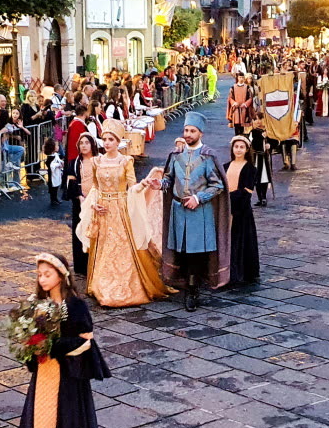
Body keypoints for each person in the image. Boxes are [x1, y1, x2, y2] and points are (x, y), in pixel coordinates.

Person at [12, 254, 109, 428]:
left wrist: (53, 346)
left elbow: (85, 339)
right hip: (45, 369)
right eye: (40, 275)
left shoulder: (75, 304)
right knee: (39, 417)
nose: (42, 279)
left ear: (61, 276)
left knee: (69, 415)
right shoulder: (37, 302)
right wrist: (31, 346)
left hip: (68, 370)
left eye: (48, 274)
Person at [78, 122, 166, 308]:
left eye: (111, 139)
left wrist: (144, 184)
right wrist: (94, 205)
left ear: (118, 142)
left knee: (122, 246)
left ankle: (125, 285)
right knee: (104, 247)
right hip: (102, 209)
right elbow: (95, 187)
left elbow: (131, 187)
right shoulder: (96, 161)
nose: (107, 143)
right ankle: (102, 285)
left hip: (119, 209)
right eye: (105, 139)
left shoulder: (126, 161)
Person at [150, 113, 230, 311]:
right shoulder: (175, 155)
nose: (188, 134)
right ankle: (183, 283)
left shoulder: (208, 156)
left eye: (192, 131)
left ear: (200, 133)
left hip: (199, 212)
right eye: (186, 130)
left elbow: (217, 185)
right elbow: (169, 179)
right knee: (182, 251)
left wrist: (198, 198)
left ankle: (193, 290)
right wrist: (159, 184)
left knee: (196, 254)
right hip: (178, 211)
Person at [227, 136, 260, 284]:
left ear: (247, 150)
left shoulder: (251, 169)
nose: (238, 149)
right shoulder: (225, 166)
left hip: (241, 211)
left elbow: (246, 192)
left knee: (240, 242)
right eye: (236, 147)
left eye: (242, 147)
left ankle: (240, 273)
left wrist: (229, 199)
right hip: (226, 210)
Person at [65, 133, 96, 277]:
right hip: (80, 201)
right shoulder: (74, 162)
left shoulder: (98, 161)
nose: (84, 145)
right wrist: (79, 196)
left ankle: (95, 261)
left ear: (92, 145)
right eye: (81, 143)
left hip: (96, 201)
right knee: (80, 230)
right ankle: (81, 264)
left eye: (86, 143)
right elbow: (71, 182)